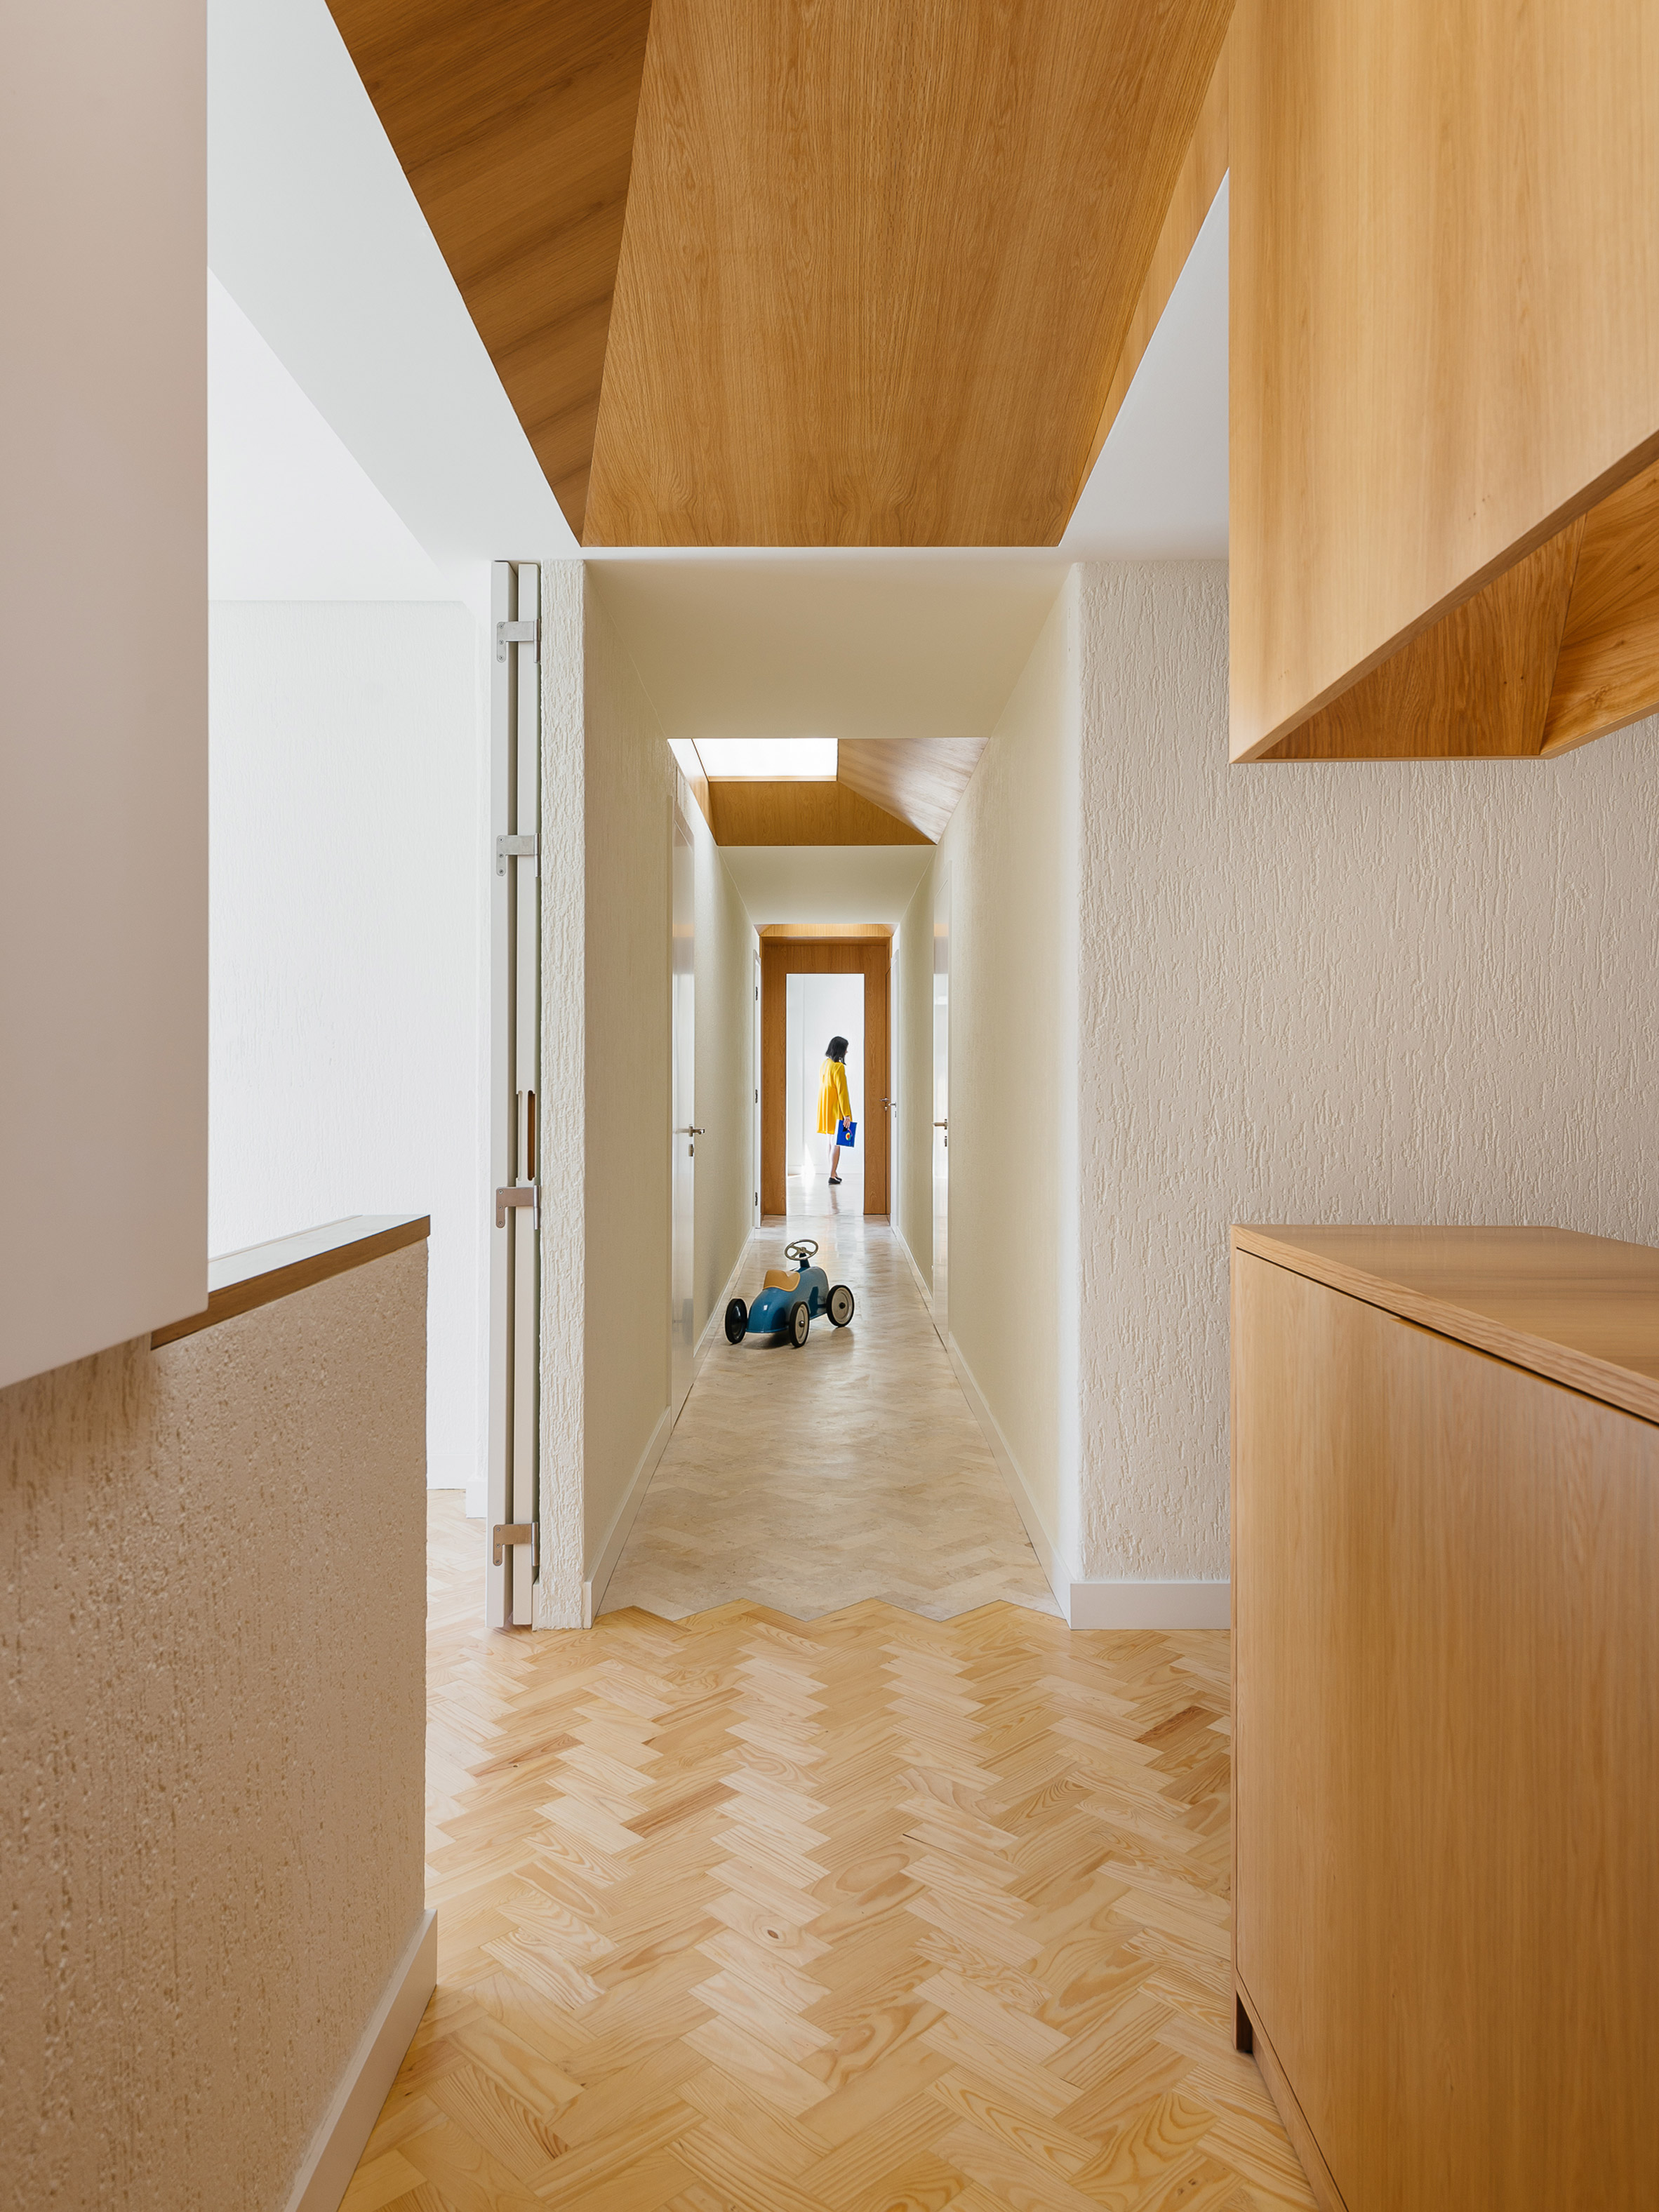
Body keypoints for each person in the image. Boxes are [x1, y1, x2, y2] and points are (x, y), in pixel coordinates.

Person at [817, 1035, 853, 1185]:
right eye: (845, 1049)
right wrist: (847, 1115)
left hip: (825, 1107)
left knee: (830, 1141)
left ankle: (833, 1171)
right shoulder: (838, 1067)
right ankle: (832, 1175)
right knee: (837, 1143)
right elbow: (842, 1093)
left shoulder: (826, 1064)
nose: (847, 1052)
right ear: (840, 1050)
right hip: (836, 1108)